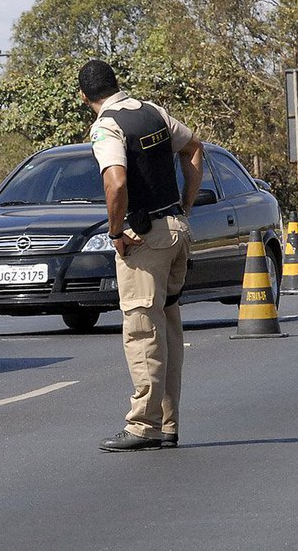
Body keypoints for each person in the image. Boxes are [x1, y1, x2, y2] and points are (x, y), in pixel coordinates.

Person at [79, 59, 203, 452]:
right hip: (176, 231)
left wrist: (116, 231)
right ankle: (168, 423)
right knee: (166, 327)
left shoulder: (107, 126)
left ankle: (143, 426)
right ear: (116, 85)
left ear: (84, 97)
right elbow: (195, 148)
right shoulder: (154, 112)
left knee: (141, 330)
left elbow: (116, 182)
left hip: (144, 239)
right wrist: (185, 205)